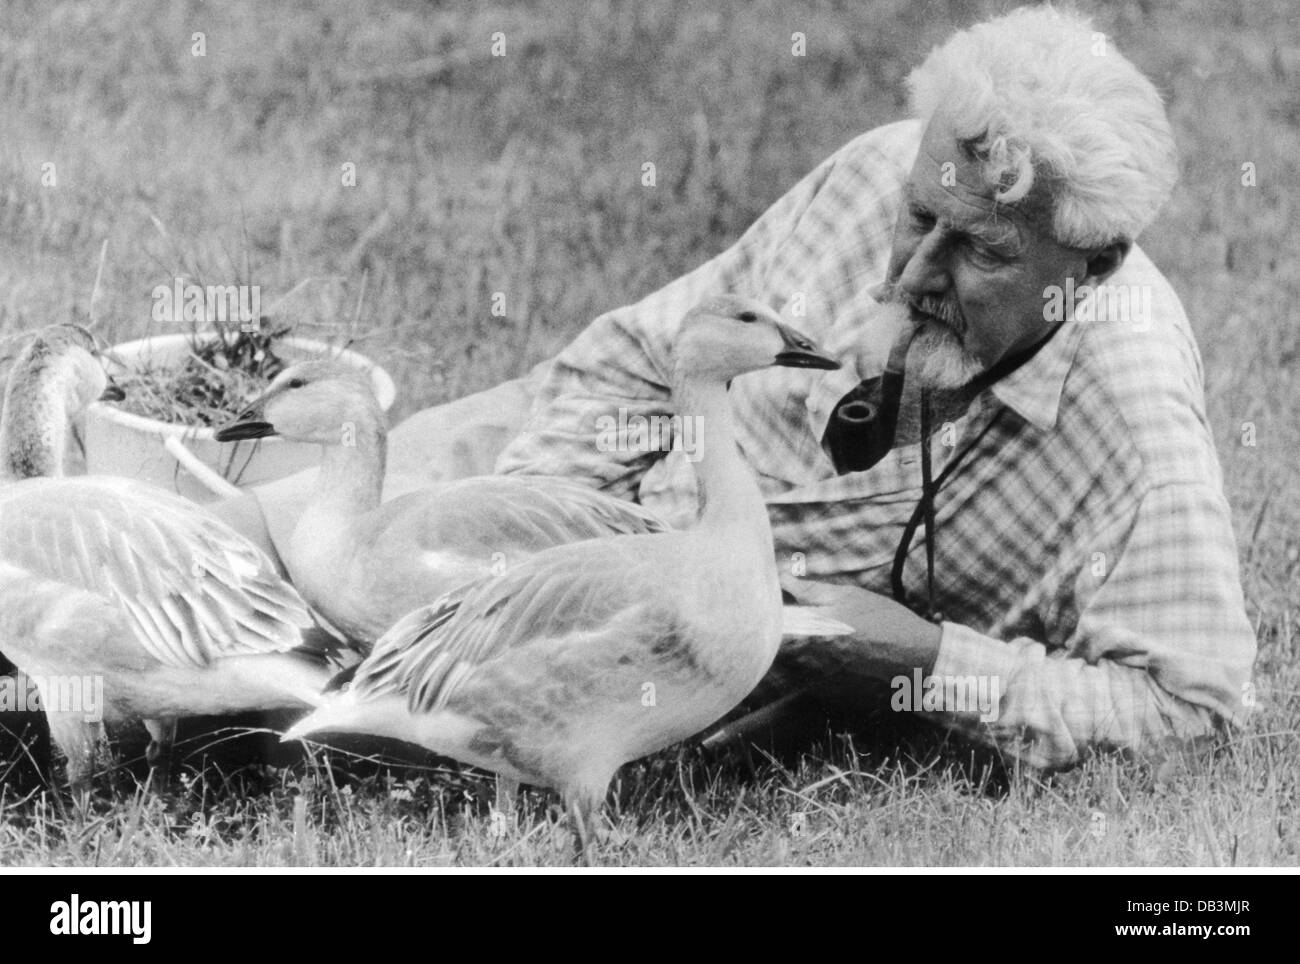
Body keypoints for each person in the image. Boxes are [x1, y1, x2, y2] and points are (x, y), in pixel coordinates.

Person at [223, 6, 1255, 770]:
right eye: (915, 218)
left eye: (977, 253)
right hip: (536, 508)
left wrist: (934, 665)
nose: (906, 274)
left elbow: (1191, 712)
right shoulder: (881, 174)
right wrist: (532, 546)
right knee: (214, 540)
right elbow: (630, 358)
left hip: (681, 662)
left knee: (257, 704)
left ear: (1088, 267)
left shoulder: (1137, 429)